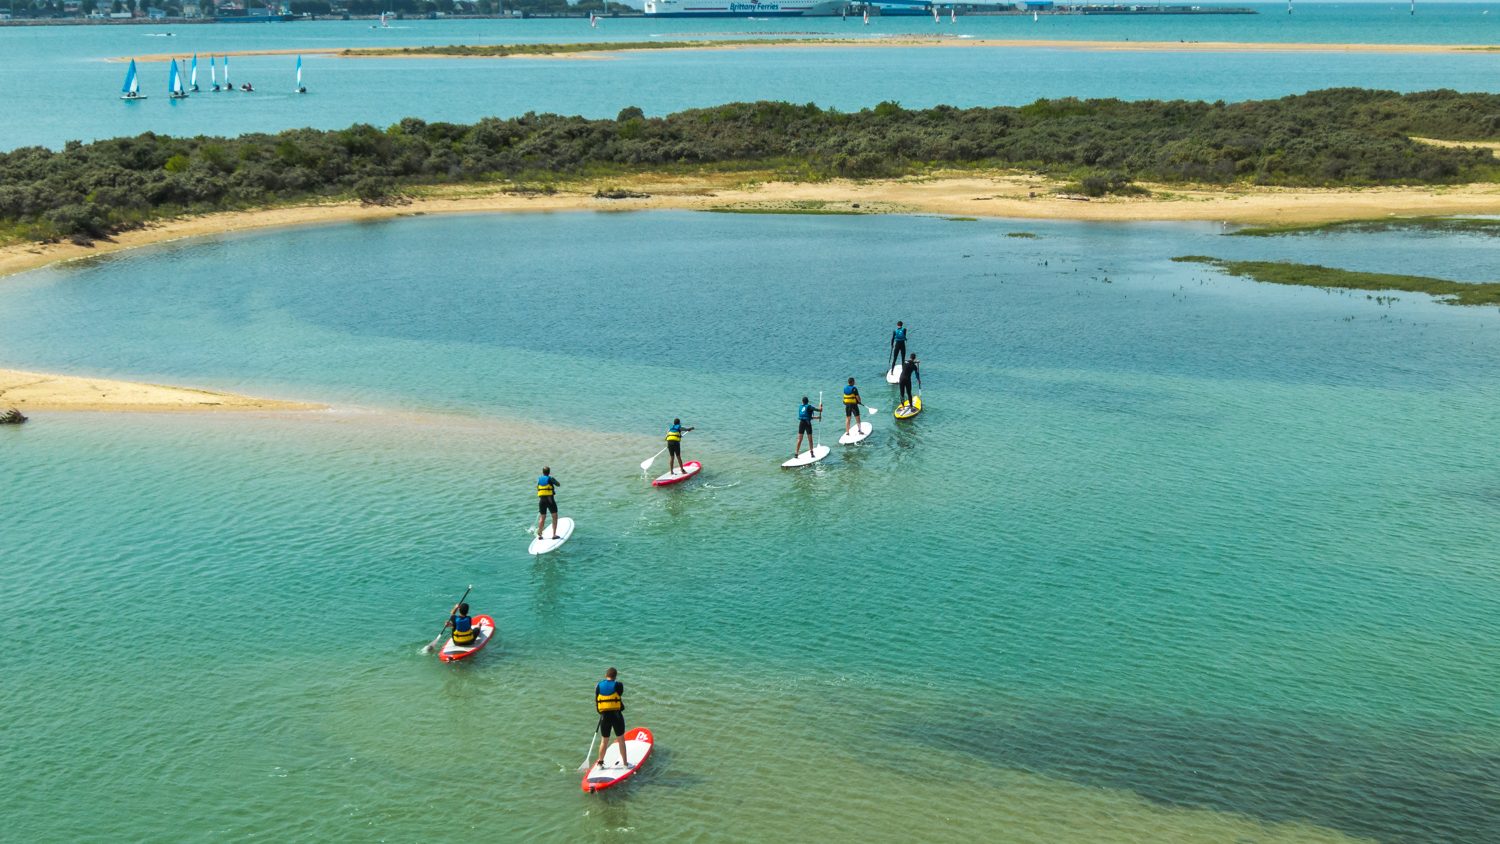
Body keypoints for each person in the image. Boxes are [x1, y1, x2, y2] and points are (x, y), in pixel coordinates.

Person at [594, 667, 628, 768]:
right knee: (621, 740)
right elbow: (619, 694)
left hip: (604, 717)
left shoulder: (598, 686)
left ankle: (600, 763)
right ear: (615, 676)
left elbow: (597, 700)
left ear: (606, 675)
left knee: (604, 741)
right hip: (616, 716)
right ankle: (625, 764)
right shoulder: (618, 685)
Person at [535, 466, 561, 540]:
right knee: (554, 516)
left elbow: (537, 488)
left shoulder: (539, 479)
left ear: (542, 472)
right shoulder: (550, 478)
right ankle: (554, 535)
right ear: (549, 472)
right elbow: (558, 484)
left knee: (542, 518)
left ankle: (540, 535)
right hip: (550, 500)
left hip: (541, 501)